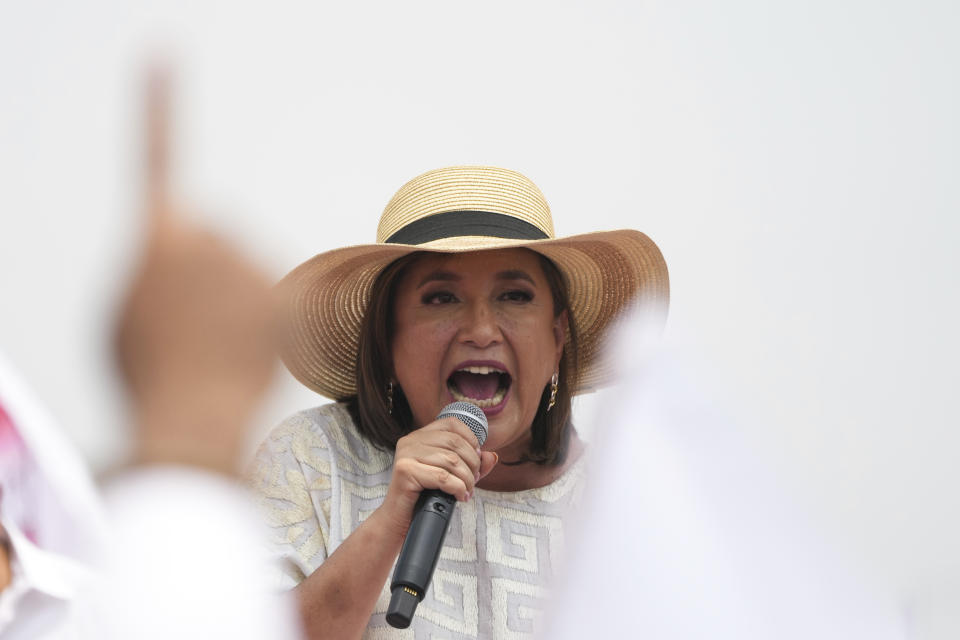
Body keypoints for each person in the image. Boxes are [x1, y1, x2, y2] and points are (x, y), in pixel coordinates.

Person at [251, 165, 669, 638]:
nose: (481, 330)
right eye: (441, 298)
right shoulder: (312, 457)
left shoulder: (620, 506)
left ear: (558, 339)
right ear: (387, 340)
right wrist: (391, 521)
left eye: (514, 295)